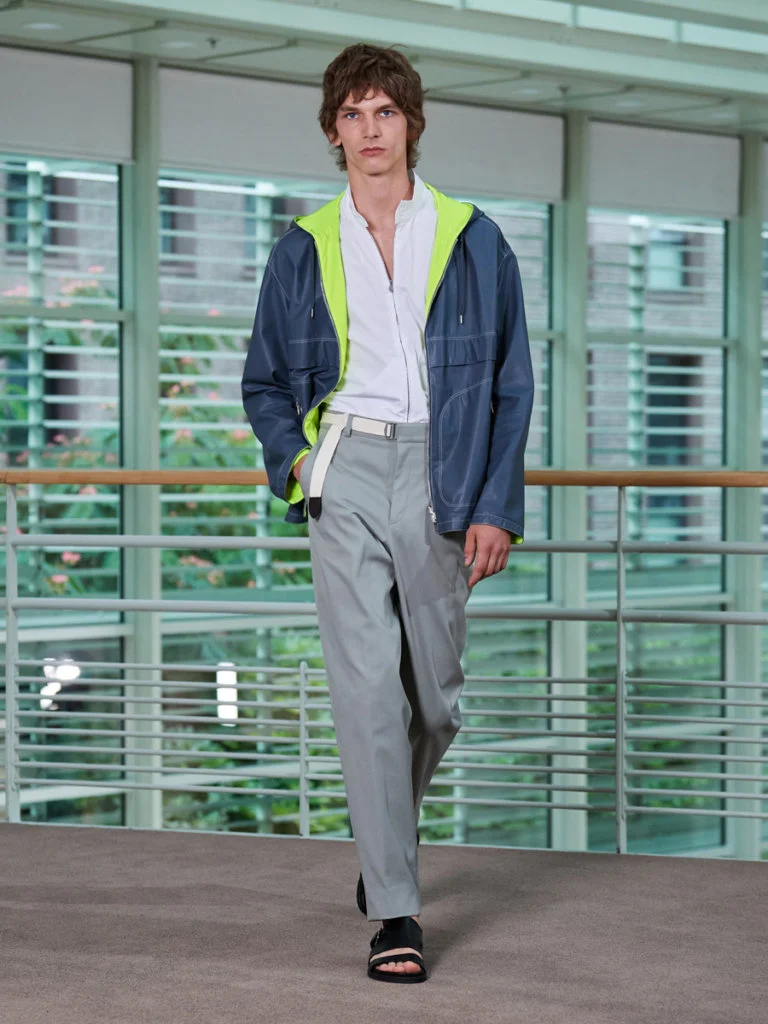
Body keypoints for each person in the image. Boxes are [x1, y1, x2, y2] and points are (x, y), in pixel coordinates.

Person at [242, 42, 533, 984]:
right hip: (345, 469)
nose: (370, 130)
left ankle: (382, 842)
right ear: (334, 131)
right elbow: (264, 383)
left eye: (385, 112)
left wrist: (495, 504)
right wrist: (299, 465)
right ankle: (395, 912)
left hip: (445, 471)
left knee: (433, 701)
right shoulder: (302, 246)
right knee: (367, 691)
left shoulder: (473, 237)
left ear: (412, 122)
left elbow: (511, 383)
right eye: (353, 114)